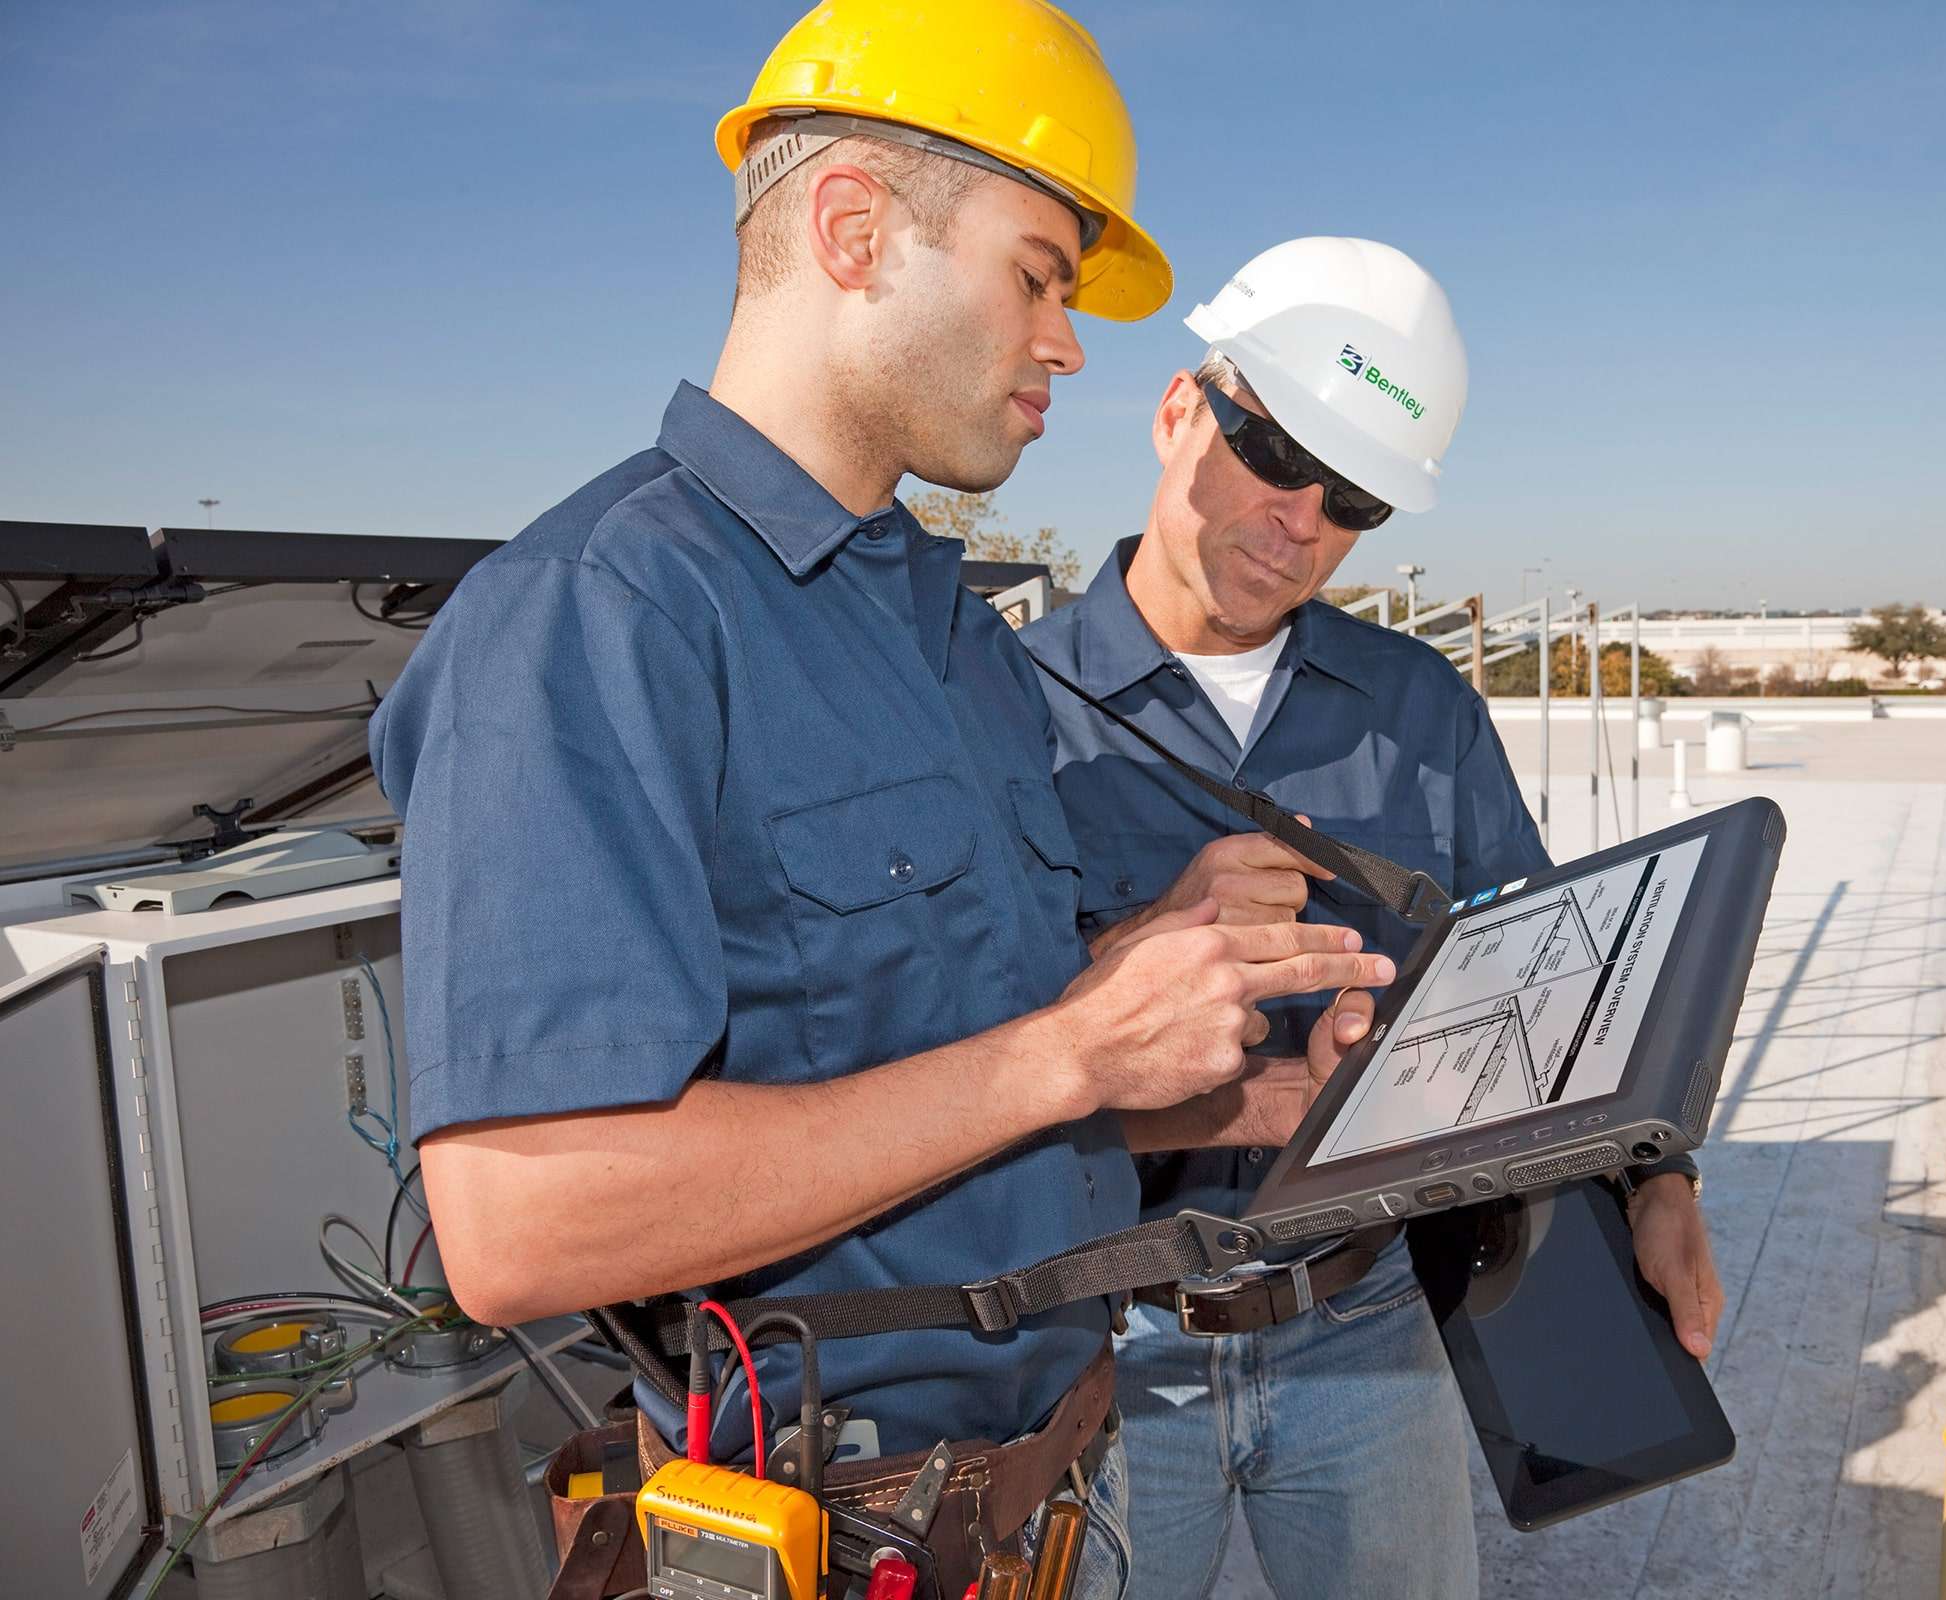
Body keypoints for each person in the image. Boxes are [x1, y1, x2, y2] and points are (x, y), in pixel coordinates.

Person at [366, 10, 1390, 1591]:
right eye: (1038, 275)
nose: (1066, 341)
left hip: (1062, 1501)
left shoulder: (943, 632)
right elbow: (521, 1228)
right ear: (854, 229)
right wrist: (1068, 1046)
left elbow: (974, 1088)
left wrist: (1246, 1081)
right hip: (845, 1538)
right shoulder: (595, 617)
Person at [1021, 237, 1724, 1600]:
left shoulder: (1423, 710)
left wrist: (1659, 1179)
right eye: (1277, 455)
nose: (1301, 522)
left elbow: (1552, 982)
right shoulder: (1000, 704)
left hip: (1369, 1325)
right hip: (1100, 1338)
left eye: (1352, 502)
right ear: (1179, 410)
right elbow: (954, 1055)